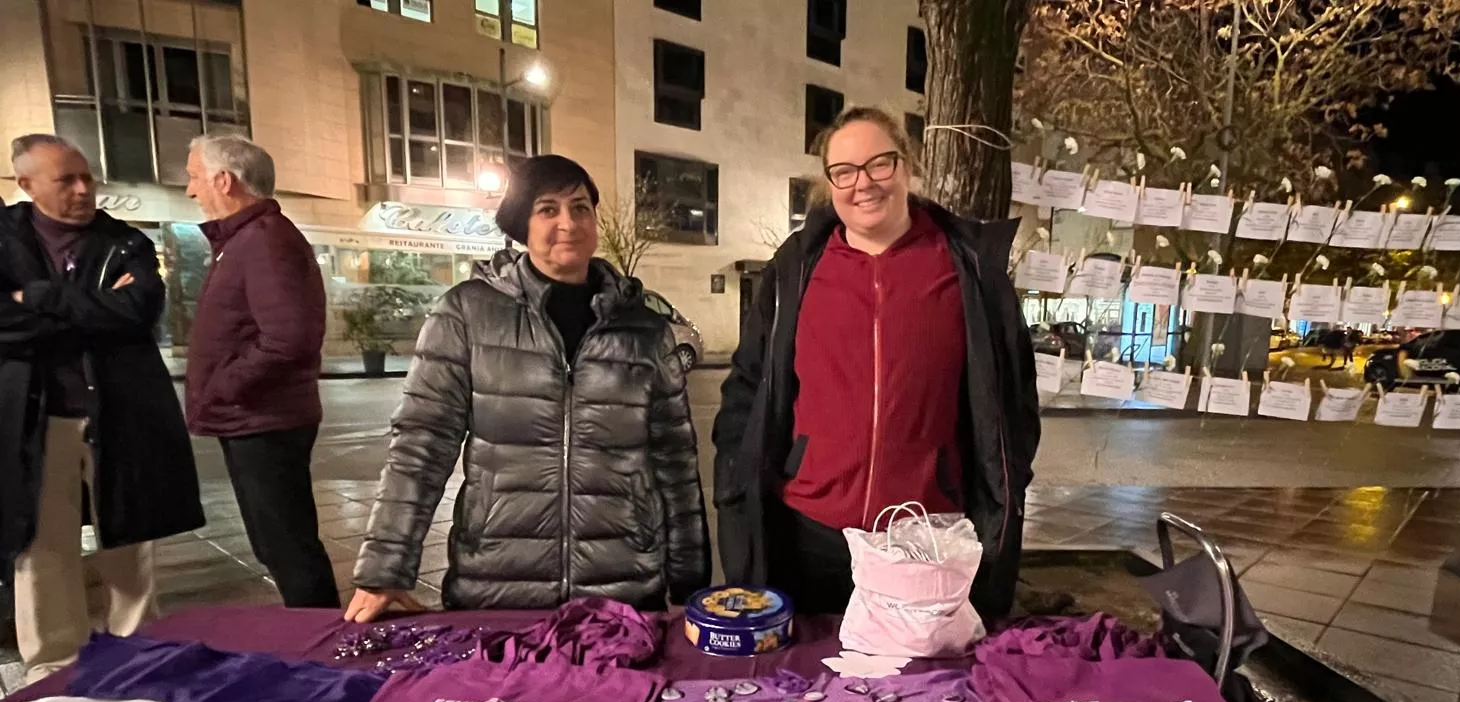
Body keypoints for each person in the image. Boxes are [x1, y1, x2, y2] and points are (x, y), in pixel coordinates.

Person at [345, 154, 709, 621]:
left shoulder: (645, 331)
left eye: (581, 208)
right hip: (497, 584)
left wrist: (689, 586)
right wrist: (383, 570)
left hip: (622, 590)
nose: (568, 223)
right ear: (521, 224)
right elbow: (421, 446)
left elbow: (674, 463)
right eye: (547, 209)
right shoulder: (466, 315)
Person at [712, 107, 1041, 620]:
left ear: (906, 167)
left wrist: (1000, 484)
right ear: (829, 184)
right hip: (808, 536)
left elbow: (1016, 398)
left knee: (924, 696)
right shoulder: (797, 270)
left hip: (924, 543)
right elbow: (748, 387)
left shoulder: (969, 271)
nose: (862, 184)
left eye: (879, 164)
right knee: (804, 695)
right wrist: (738, 473)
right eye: (844, 171)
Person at [1, 134, 203, 683]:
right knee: (42, 544)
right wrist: (92, 308)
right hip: (35, 419)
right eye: (65, 179)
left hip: (120, 412)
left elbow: (136, 310)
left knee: (130, 539)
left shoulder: (124, 241)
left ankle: (138, 651)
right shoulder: (5, 239)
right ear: (26, 184)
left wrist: (36, 300)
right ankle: (52, 665)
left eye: (86, 176)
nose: (83, 188)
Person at [184, 134, 339, 609]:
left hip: (263, 418)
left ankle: (323, 642)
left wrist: (223, 385)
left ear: (223, 181)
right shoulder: (245, 240)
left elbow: (287, 337)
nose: (190, 190)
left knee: (288, 548)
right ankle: (315, 636)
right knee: (278, 545)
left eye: (194, 177)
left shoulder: (264, 240)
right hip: (252, 417)